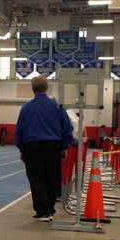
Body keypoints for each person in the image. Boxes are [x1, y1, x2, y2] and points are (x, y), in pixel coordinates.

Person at [14, 76, 73, 222]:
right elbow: (67, 128)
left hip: (32, 146)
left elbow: (19, 130)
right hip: (53, 145)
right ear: (47, 88)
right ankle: (50, 209)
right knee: (52, 177)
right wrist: (65, 146)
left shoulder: (26, 108)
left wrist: (21, 148)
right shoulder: (58, 107)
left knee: (36, 178)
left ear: (32, 89)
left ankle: (42, 211)